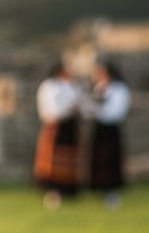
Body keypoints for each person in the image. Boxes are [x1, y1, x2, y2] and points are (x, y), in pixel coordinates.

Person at [33, 60, 85, 209]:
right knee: (53, 161)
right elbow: (52, 109)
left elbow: (81, 103)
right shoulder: (50, 86)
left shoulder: (72, 86)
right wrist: (67, 109)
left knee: (69, 161)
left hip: (70, 127)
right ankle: (52, 192)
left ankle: (68, 191)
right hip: (55, 126)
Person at [86, 60, 131, 208]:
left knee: (111, 160)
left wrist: (98, 111)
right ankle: (100, 189)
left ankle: (112, 191)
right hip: (99, 128)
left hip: (111, 129)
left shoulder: (119, 89)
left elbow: (116, 112)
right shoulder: (99, 88)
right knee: (99, 160)